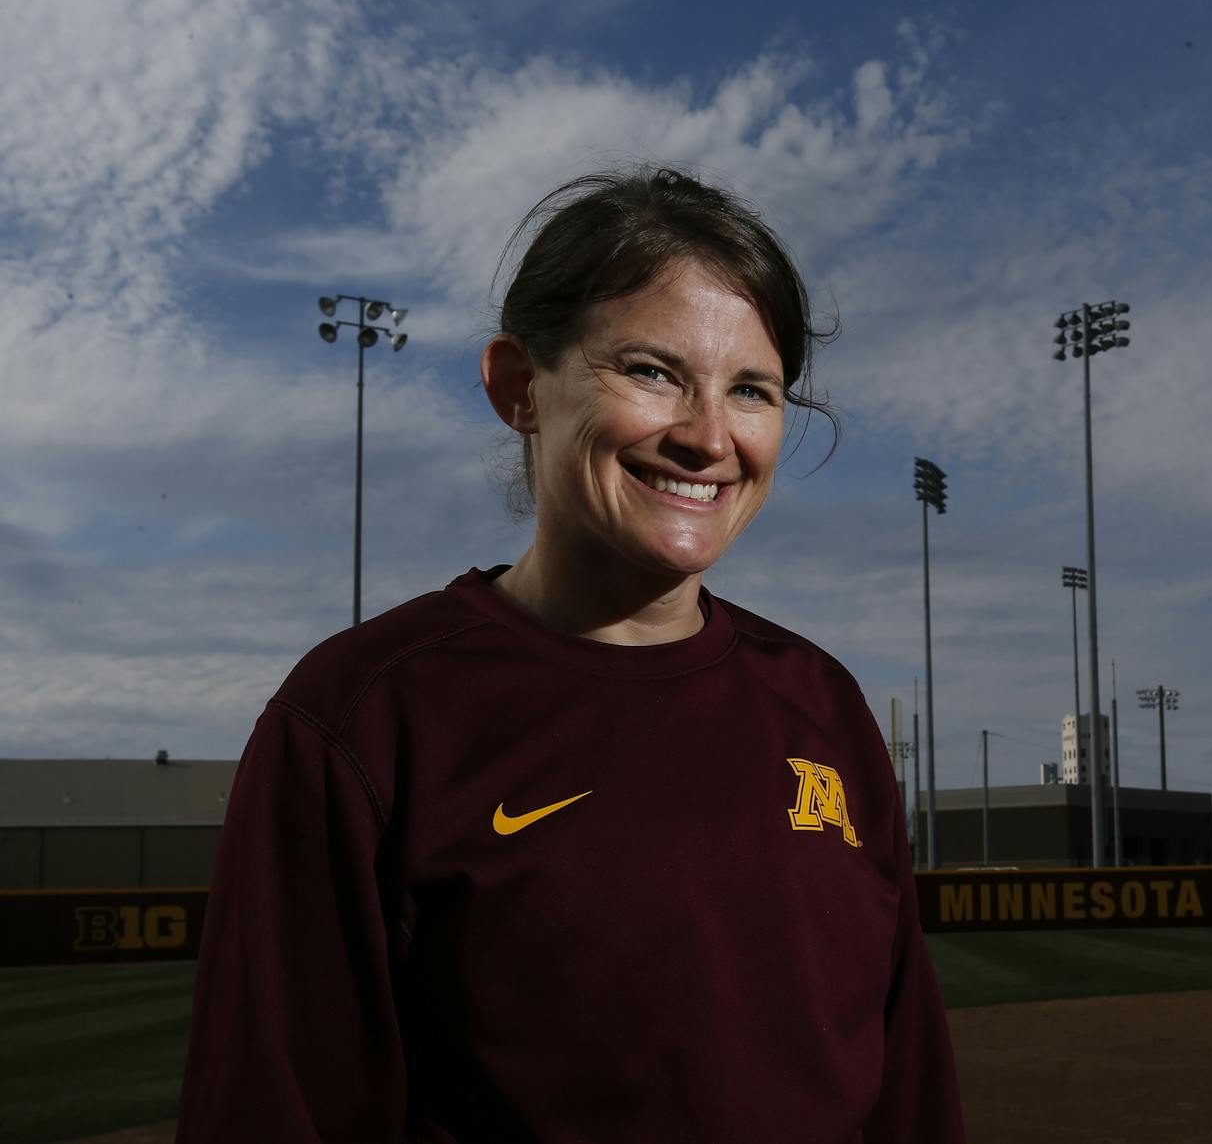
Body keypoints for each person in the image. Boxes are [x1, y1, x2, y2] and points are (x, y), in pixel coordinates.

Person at [176, 165, 966, 1142]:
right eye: (650, 371)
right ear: (519, 387)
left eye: (751, 390)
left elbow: (908, 1098)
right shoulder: (361, 718)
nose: (708, 436)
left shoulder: (826, 707)